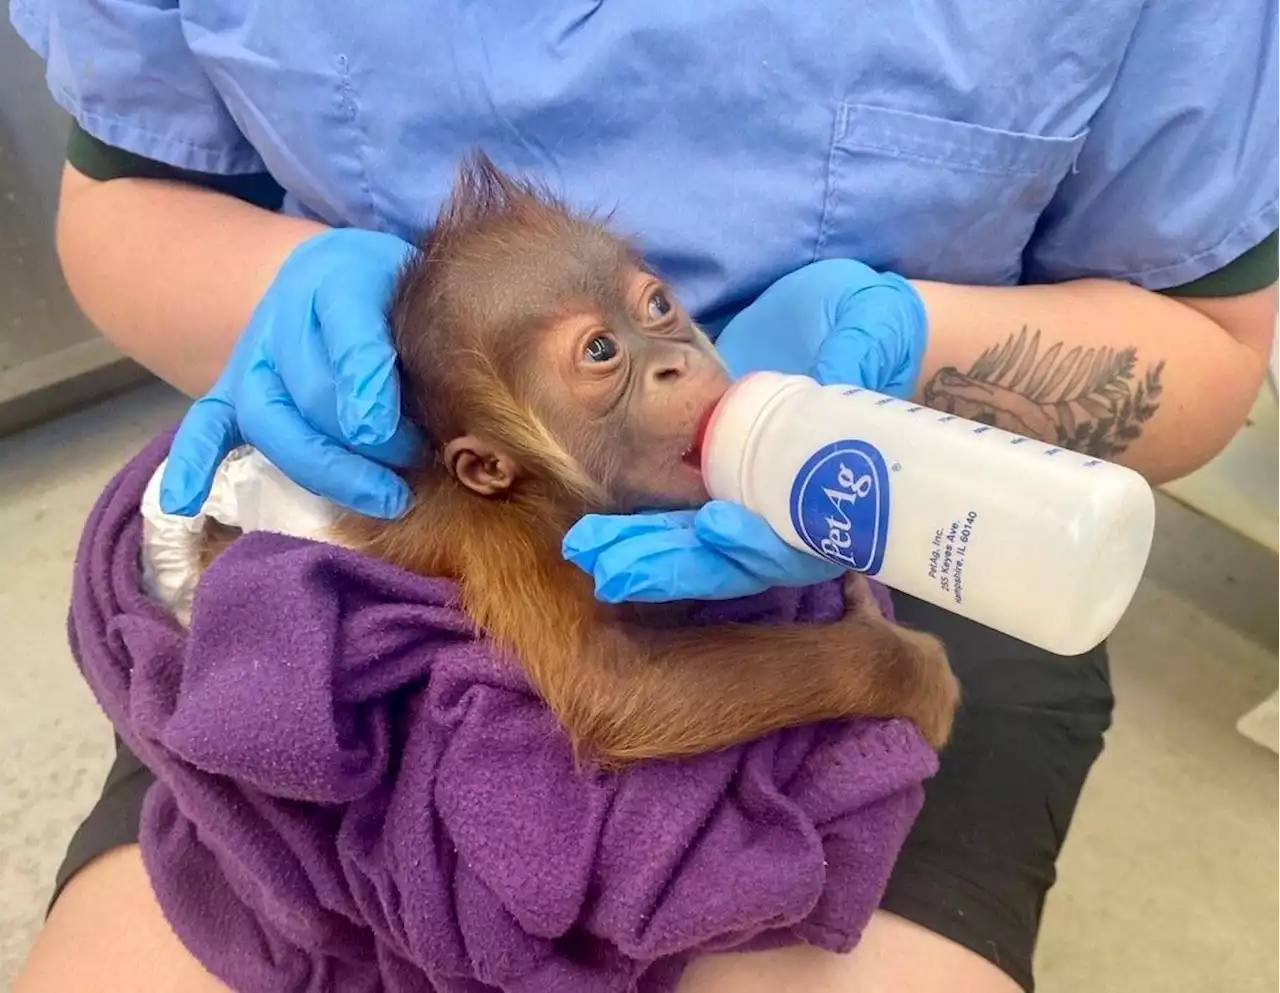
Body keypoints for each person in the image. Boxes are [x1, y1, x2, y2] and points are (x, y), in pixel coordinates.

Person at [10, 0, 1278, 990]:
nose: (684, 355)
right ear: (491, 463)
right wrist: (878, 674)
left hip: (927, 518)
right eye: (605, 357)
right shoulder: (497, 526)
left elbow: (1213, 351)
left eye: (656, 309)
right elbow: (608, 703)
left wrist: (908, 346)